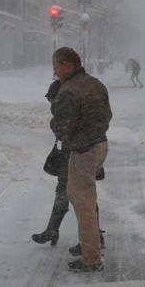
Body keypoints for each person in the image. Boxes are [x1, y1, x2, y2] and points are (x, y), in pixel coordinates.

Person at [50, 47, 112, 272]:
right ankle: (91, 244)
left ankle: (91, 258)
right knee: (87, 198)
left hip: (83, 151)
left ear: (67, 65)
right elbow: (108, 115)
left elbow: (61, 127)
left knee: (83, 204)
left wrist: (55, 117)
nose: (55, 72)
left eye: (56, 67)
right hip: (101, 144)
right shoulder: (95, 83)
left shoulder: (69, 90)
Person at [32, 79, 105, 254]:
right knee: (67, 194)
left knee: (83, 199)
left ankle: (92, 238)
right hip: (74, 154)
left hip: (79, 154)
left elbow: (66, 130)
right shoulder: (74, 102)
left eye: (52, 100)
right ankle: (54, 230)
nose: (51, 104)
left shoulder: (72, 104)